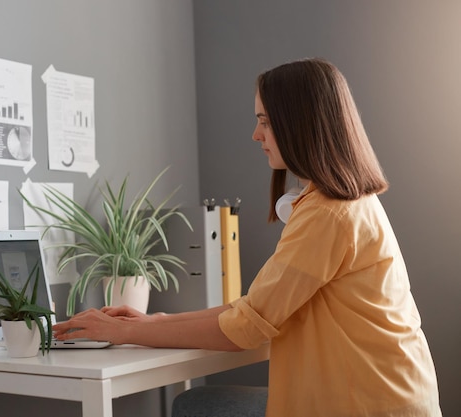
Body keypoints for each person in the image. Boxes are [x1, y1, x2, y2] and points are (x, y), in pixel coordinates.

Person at [53, 58, 442, 416]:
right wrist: (154, 320)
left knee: (196, 407)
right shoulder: (339, 202)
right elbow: (253, 309)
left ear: (301, 122)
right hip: (385, 393)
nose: (256, 134)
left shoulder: (328, 213)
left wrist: (126, 332)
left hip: (369, 404)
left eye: (266, 121)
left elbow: (246, 327)